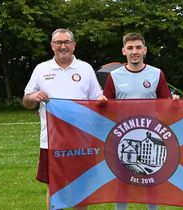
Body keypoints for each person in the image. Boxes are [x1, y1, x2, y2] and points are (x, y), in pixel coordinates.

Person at [22, 28, 106, 210]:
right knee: (54, 187)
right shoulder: (41, 69)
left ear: (74, 45)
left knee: (81, 187)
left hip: (81, 140)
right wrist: (34, 96)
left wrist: (101, 101)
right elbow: (26, 101)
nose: (63, 46)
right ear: (52, 46)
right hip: (51, 141)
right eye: (58, 42)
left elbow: (97, 99)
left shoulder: (86, 68)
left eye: (67, 42)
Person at [103, 32, 171, 210]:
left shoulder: (157, 74)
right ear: (124, 51)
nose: (135, 51)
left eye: (138, 47)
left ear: (145, 50)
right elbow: (106, 107)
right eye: (130, 48)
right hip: (123, 137)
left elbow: (167, 105)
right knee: (122, 180)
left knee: (151, 180)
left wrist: (176, 103)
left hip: (150, 134)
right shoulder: (115, 76)